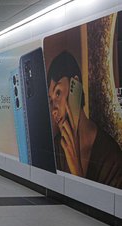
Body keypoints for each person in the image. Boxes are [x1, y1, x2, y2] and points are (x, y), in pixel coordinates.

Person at [47, 51, 122, 188]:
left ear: (75, 84)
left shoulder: (111, 155)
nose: (54, 110)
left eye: (58, 93)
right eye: (51, 101)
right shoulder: (57, 147)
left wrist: (76, 169)